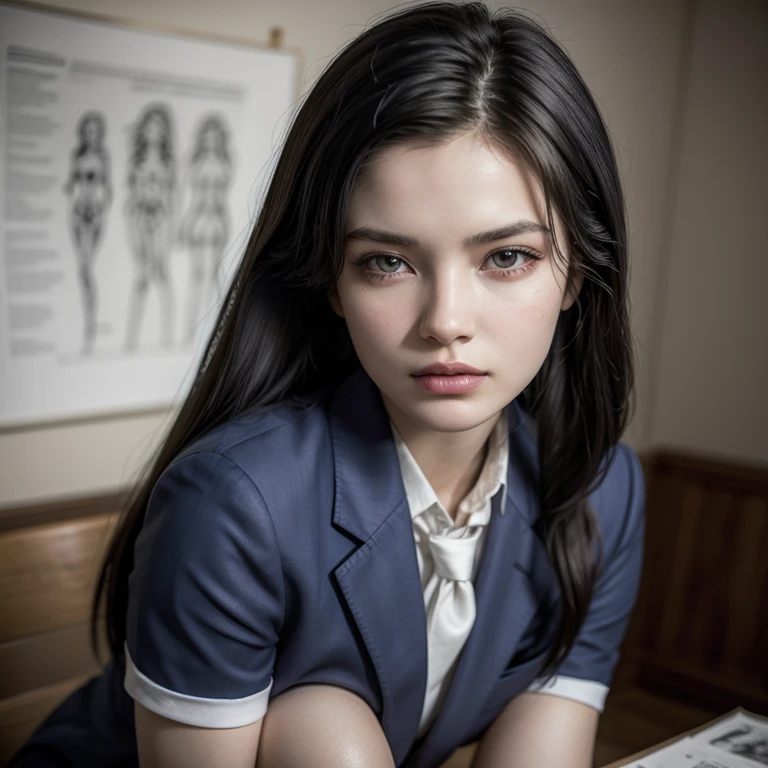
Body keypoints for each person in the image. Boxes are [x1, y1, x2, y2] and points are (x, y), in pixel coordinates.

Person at [8, 3, 645, 767]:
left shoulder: (601, 492)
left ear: (577, 271)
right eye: (388, 261)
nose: (446, 320)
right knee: (322, 729)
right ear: (332, 282)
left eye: (506, 257)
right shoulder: (232, 503)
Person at [124, 103, 176, 351]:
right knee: (142, 276)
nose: (154, 130)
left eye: (158, 126)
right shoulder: (137, 160)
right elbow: (132, 196)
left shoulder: (168, 161)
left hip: (161, 220)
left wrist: (165, 225)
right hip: (139, 218)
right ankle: (131, 339)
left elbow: (171, 196)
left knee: (161, 273)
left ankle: (168, 337)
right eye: (150, 125)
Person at [178, 114, 233, 344]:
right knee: (198, 275)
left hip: (216, 221)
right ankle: (191, 332)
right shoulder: (197, 164)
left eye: (214, 137)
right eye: (207, 137)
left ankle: (208, 336)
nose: (211, 141)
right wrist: (187, 224)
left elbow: (221, 201)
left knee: (213, 277)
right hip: (200, 219)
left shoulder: (223, 164)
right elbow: (193, 197)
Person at [64, 111, 112, 354]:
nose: (90, 134)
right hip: (76, 214)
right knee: (82, 269)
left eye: (95, 130)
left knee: (85, 268)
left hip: (93, 216)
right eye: (87, 130)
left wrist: (96, 208)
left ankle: (90, 323)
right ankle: (87, 321)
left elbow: (107, 191)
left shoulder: (103, 158)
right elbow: (70, 186)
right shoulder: (77, 156)